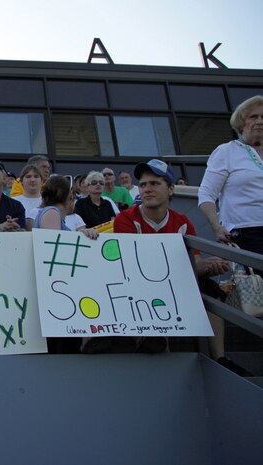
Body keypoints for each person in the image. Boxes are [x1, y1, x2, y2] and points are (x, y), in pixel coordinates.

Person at [113, 159, 251, 375]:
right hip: (139, 282)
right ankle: (156, 343)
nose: (147, 189)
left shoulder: (182, 221)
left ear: (170, 189)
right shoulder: (126, 218)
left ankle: (220, 358)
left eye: (154, 184)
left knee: (211, 290)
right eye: (143, 185)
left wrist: (210, 265)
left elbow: (194, 265)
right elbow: (134, 265)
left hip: (175, 280)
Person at [198, 95, 263, 258]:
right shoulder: (227, 151)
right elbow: (206, 194)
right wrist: (216, 226)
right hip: (248, 232)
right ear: (242, 122)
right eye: (254, 117)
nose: (260, 121)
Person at [34, 175, 98, 239]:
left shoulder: (52, 213)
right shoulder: (52, 212)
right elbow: (53, 244)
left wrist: (81, 234)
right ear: (70, 195)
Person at [12, 163, 43, 229]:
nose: (32, 180)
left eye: (36, 176)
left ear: (42, 181)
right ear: (21, 181)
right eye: (28, 176)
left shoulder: (50, 202)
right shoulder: (12, 202)